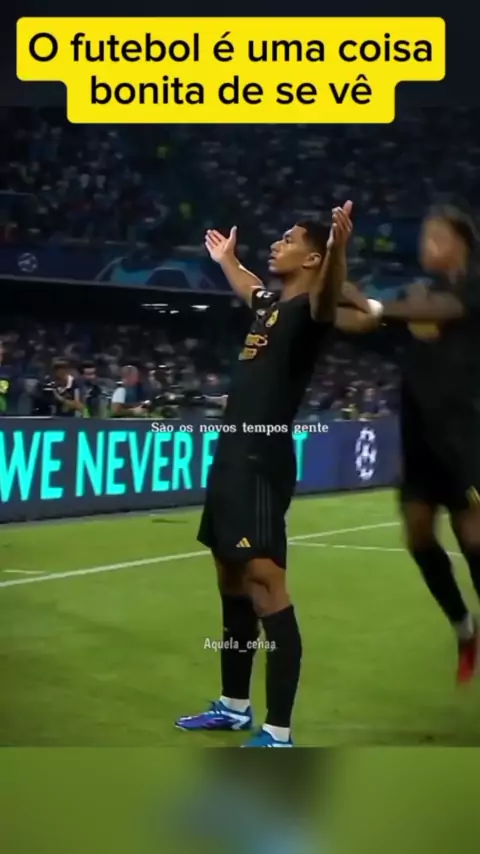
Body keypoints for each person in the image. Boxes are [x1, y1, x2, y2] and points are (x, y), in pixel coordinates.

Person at [175, 203, 370, 747]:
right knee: (230, 577)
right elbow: (250, 286)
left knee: (265, 583)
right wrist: (227, 260)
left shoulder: (311, 310)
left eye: (288, 239)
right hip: (231, 456)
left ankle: (278, 732)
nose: (276, 244)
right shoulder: (271, 305)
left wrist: (337, 249)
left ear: (311, 258)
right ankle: (234, 706)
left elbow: (328, 296)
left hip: (260, 460)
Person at [361, 207, 480, 682]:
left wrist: (378, 308)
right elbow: (365, 321)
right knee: (417, 534)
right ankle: (463, 626)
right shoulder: (417, 294)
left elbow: (443, 311)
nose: (425, 244)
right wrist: (333, 296)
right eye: (424, 235)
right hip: (420, 438)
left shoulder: (471, 286)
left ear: (460, 242)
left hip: (465, 438)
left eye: (436, 236)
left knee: (474, 540)